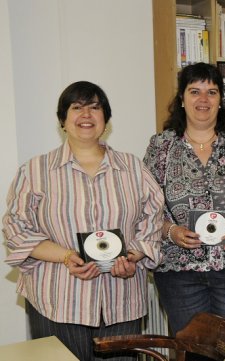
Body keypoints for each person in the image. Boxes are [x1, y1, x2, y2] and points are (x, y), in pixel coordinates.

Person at [3, 81, 164, 361]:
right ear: (62, 120)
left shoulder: (134, 168)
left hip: (121, 301)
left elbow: (153, 219)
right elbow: (15, 228)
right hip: (57, 301)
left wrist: (132, 257)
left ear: (106, 119)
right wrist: (66, 256)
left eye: (94, 108)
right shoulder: (35, 170)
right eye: (76, 108)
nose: (86, 115)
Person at [143, 62, 225, 361]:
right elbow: (146, 207)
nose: (203, 100)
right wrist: (170, 231)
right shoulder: (161, 146)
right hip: (179, 272)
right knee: (194, 355)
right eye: (194, 91)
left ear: (221, 99)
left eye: (211, 92)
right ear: (181, 98)